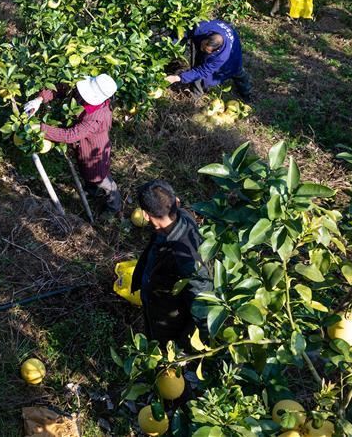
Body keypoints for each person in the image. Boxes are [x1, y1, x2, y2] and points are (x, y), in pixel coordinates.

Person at [23, 74, 122, 219]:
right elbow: (61, 88)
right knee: (86, 173)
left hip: (94, 151)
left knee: (99, 177)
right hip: (81, 146)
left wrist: (41, 128)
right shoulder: (83, 90)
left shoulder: (99, 115)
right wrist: (39, 99)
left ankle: (114, 206)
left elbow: (72, 135)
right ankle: (92, 191)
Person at [131, 180, 212, 345]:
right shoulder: (183, 217)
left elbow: (202, 304)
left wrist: (185, 346)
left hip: (168, 319)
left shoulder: (186, 259)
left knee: (161, 345)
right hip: (159, 301)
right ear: (177, 202)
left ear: (145, 216)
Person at [165, 19, 251, 99]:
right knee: (199, 62)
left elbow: (203, 71)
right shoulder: (202, 28)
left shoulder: (222, 56)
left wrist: (177, 78)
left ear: (215, 51)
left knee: (235, 71)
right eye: (202, 45)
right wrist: (169, 47)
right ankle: (195, 94)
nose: (202, 49)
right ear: (207, 36)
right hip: (217, 31)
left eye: (206, 50)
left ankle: (246, 93)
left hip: (232, 53)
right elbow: (184, 31)